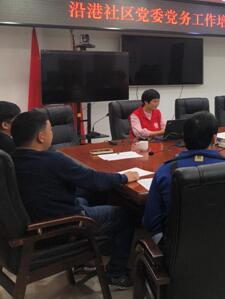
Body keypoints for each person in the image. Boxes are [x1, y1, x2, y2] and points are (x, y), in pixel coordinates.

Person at [11, 110, 140, 289]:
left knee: (84, 198)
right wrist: (124, 177)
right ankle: (116, 273)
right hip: (61, 227)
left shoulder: (12, 159)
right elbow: (93, 180)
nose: (52, 133)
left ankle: (86, 259)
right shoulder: (52, 159)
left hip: (36, 220)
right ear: (41, 136)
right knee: (125, 215)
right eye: (50, 130)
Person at [143, 112, 225, 243]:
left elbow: (150, 222)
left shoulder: (165, 171)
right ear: (214, 139)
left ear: (184, 140)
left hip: (177, 249)